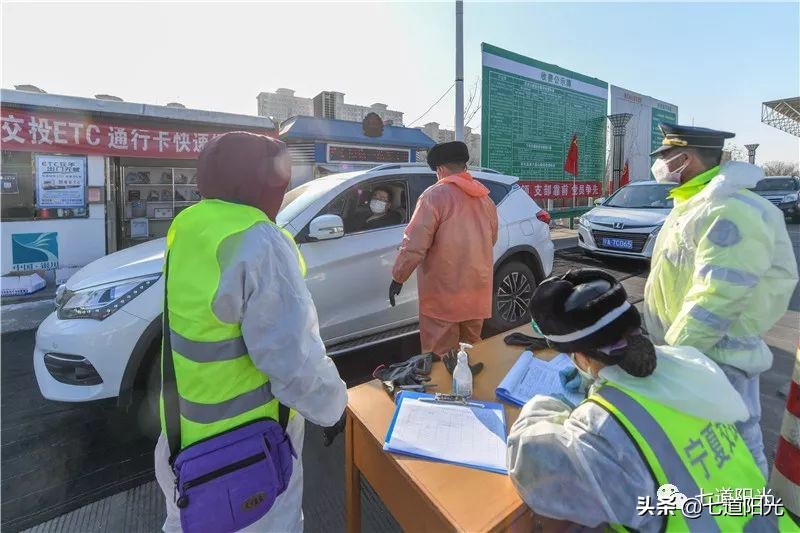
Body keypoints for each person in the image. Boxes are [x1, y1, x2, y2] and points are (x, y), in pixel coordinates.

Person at [154, 132, 348, 533]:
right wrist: (332, 409)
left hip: (183, 441)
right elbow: (292, 357)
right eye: (281, 183)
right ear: (260, 185)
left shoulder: (188, 226)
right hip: (248, 452)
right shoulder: (259, 239)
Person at [507, 268, 793, 531]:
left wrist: (546, 404)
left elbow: (532, 469)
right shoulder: (688, 366)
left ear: (581, 358)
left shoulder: (604, 426)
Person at [643, 123, 799, 476]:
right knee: (704, 452)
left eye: (665, 156)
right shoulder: (694, 203)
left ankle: (750, 509)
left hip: (717, 356)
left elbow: (718, 296)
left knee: (735, 449)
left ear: (685, 159)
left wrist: (675, 354)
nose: (660, 163)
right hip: (697, 354)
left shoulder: (728, 209)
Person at [389, 141, 498, 355]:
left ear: (439, 169)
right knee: (471, 351)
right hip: (477, 290)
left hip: (443, 294)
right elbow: (491, 239)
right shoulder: (485, 199)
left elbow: (414, 245)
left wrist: (398, 277)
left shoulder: (434, 196)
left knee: (440, 356)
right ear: (464, 166)